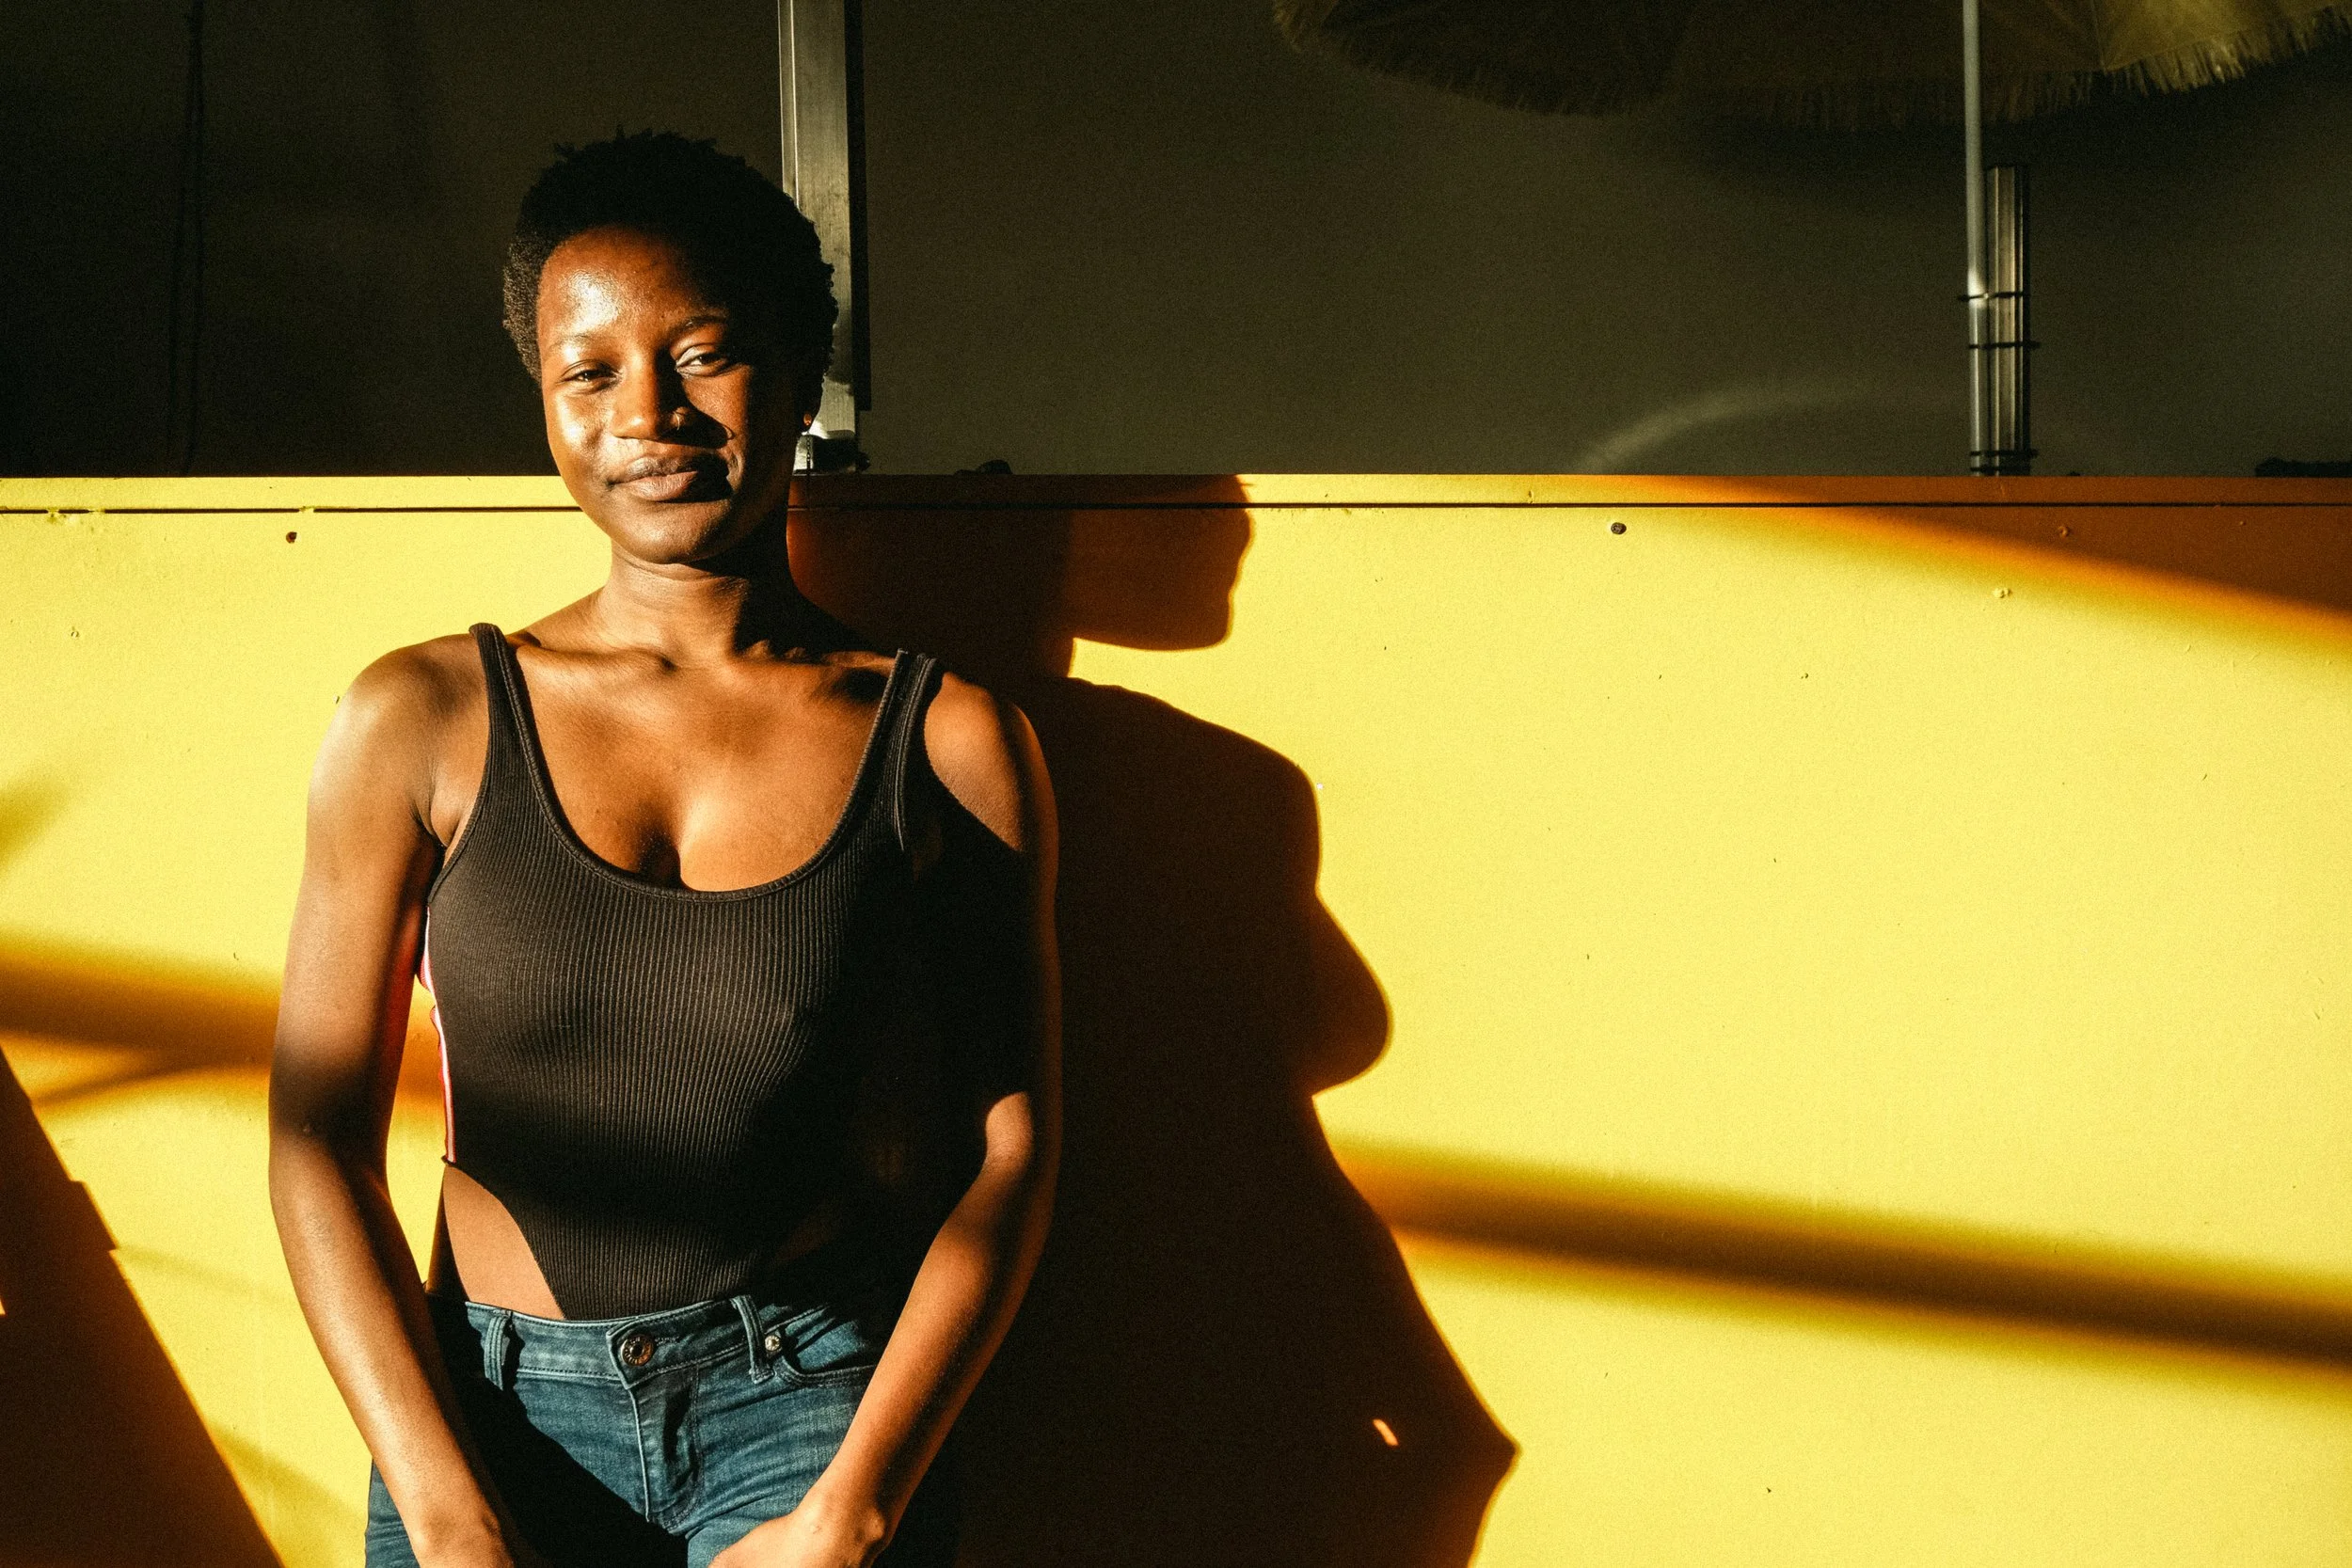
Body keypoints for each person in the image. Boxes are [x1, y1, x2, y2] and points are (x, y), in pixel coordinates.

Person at [268, 132, 1059, 1568]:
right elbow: (315, 1136)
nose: (652, 415)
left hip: (811, 1407)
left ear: (801, 361)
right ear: (546, 400)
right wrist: (446, 1514)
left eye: (703, 354)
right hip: (482, 1416)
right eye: (591, 372)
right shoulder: (425, 719)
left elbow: (1007, 1150)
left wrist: (854, 1509)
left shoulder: (943, 739)